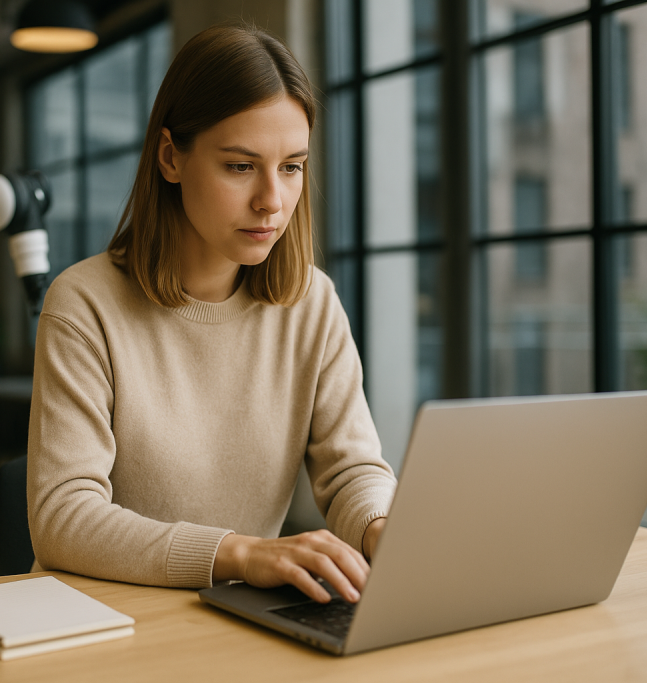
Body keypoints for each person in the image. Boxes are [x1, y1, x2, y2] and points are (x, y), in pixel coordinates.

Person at [28, 23, 396, 605]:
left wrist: (381, 527)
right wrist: (240, 553)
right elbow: (63, 518)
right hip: (100, 620)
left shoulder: (312, 303)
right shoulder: (85, 304)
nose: (272, 201)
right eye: (240, 166)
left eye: (292, 166)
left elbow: (352, 470)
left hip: (231, 618)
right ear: (171, 158)